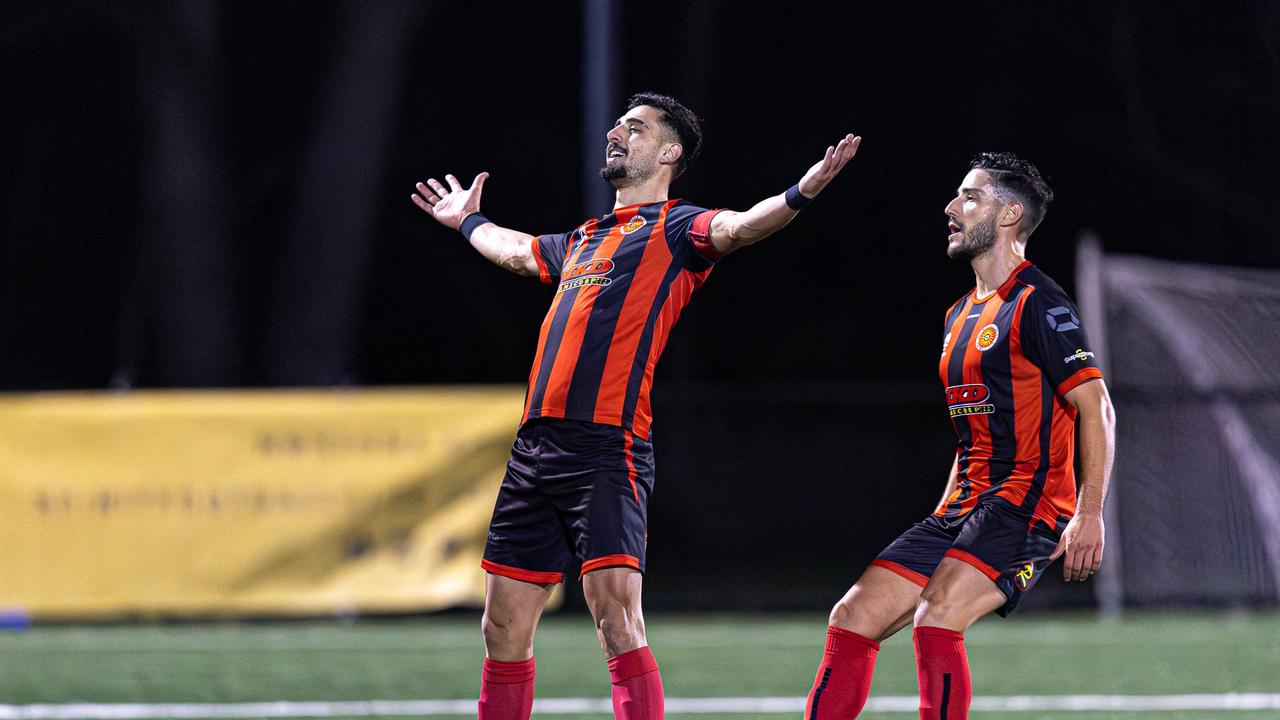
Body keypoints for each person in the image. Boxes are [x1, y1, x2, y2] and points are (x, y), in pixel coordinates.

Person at [411, 92, 860, 720]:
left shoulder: (679, 229)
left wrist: (801, 191)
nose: (616, 134)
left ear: (669, 152)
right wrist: (466, 221)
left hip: (605, 448)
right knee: (501, 627)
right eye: (618, 125)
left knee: (616, 620)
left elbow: (740, 227)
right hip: (533, 452)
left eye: (636, 128)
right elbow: (516, 251)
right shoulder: (584, 239)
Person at [802, 153, 1116, 720]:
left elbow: (1097, 409)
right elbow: (971, 436)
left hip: (1030, 505)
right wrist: (947, 513)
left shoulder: (1039, 303)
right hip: (966, 506)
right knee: (851, 618)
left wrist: (1089, 512)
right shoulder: (957, 317)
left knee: (937, 614)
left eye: (970, 197)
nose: (951, 208)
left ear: (1008, 215)